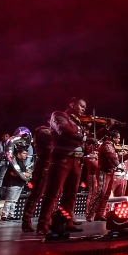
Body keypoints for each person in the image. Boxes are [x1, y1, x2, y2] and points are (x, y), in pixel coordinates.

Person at [35, 98, 89, 234]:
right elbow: (63, 131)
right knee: (52, 193)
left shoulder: (78, 121)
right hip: (62, 158)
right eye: (81, 106)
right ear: (72, 104)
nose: (83, 109)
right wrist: (83, 138)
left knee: (71, 195)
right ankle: (43, 225)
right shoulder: (58, 115)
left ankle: (67, 222)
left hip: (76, 161)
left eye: (84, 107)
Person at [87, 135, 119, 221]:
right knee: (101, 192)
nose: (119, 140)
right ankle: (90, 215)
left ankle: (99, 214)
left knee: (107, 194)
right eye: (118, 138)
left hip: (110, 171)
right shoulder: (107, 144)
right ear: (114, 137)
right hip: (104, 171)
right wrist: (118, 165)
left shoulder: (111, 145)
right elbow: (111, 156)